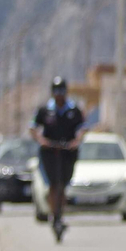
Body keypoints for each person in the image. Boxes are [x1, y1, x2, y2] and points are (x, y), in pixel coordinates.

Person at [30, 76, 87, 242]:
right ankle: (54, 216)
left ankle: (60, 214)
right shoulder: (45, 110)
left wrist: (76, 142)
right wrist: (42, 141)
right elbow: (33, 128)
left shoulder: (74, 110)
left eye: (61, 92)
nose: (59, 95)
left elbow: (82, 128)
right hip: (49, 152)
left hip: (68, 152)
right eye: (56, 92)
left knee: (63, 185)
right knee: (54, 184)